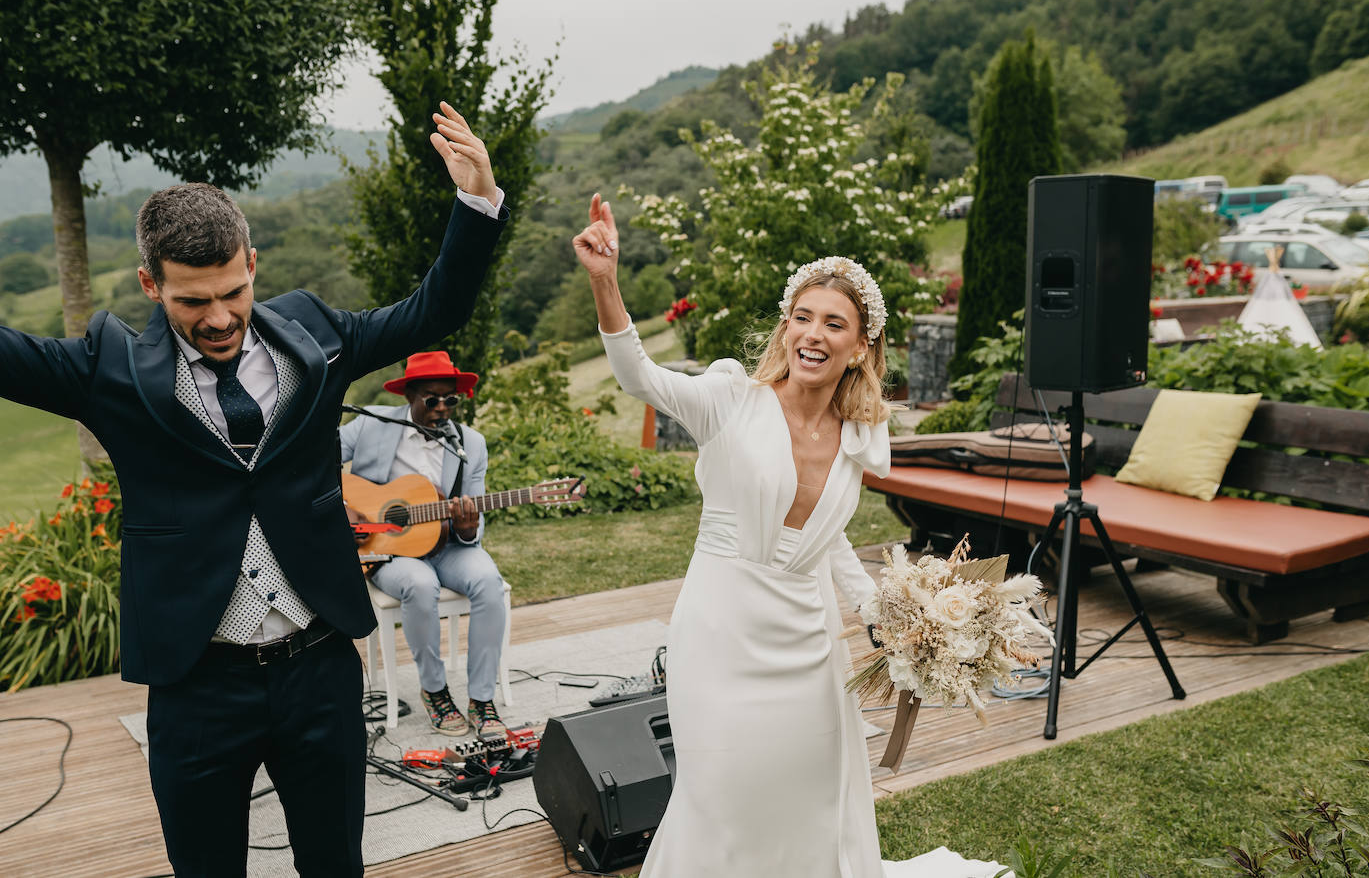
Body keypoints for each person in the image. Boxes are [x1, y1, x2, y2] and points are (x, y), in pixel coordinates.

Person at [0, 101, 506, 878]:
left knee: (335, 866)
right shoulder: (109, 369)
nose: (218, 317)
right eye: (192, 301)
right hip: (197, 682)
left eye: (232, 292)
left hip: (319, 666)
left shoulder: (316, 334)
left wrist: (476, 202)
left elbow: (435, 308)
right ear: (149, 283)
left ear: (252, 265)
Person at [572, 193, 893, 876]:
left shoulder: (858, 436)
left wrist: (882, 611)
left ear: (860, 347)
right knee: (718, 798)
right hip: (719, 637)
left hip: (810, 647)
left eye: (833, 323)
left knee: (803, 799)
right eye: (801, 317)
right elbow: (639, 376)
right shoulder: (729, 401)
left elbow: (827, 536)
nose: (813, 333)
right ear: (786, 328)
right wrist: (606, 280)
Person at [340, 351, 508, 739]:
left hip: (450, 547)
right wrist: (343, 510)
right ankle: (435, 690)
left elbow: (474, 513)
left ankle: (482, 700)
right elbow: (315, 462)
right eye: (432, 399)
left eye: (450, 399)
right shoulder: (371, 423)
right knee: (420, 584)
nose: (442, 408)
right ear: (409, 396)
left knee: (489, 582)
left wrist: (467, 527)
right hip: (387, 547)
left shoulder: (471, 444)